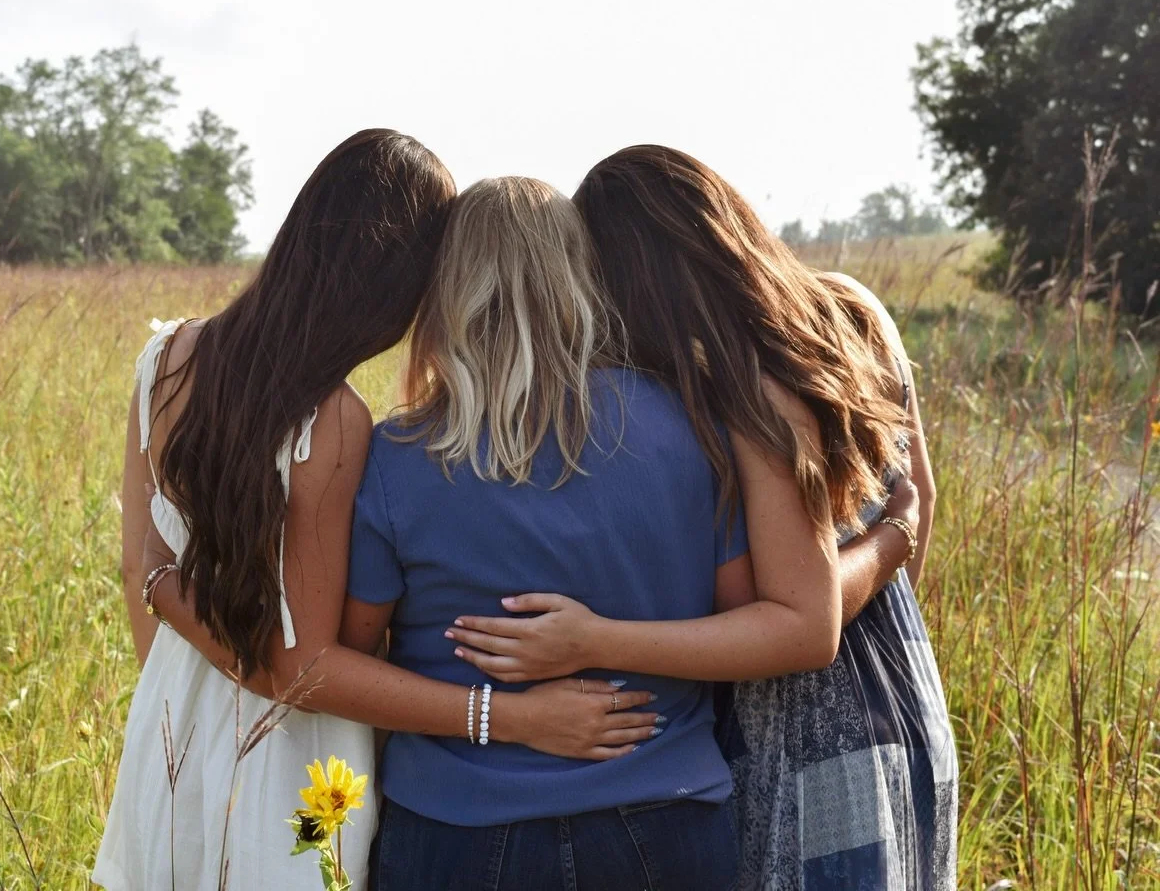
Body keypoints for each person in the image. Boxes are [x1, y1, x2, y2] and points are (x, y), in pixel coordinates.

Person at [95, 134, 655, 891]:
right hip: (297, 760)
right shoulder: (330, 424)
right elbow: (306, 666)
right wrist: (513, 718)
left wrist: (172, 647)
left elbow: (143, 567)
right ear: (392, 279)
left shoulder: (165, 361)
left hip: (171, 718)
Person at [451, 146, 957, 890]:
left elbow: (801, 622)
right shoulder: (853, 311)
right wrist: (890, 542)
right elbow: (917, 506)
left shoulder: (729, 386)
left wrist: (591, 638)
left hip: (790, 728)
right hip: (906, 695)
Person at [347, 175, 806, 891]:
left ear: (447, 288)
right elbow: (745, 624)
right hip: (664, 822)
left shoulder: (395, 456)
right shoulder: (691, 425)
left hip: (457, 829)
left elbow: (353, 658)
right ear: (580, 276)